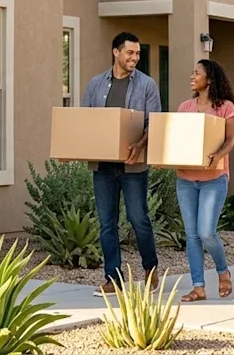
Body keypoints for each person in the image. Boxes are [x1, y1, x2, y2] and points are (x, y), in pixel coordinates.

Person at [81, 31, 161, 296]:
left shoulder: (147, 85)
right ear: (116, 52)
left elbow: (154, 123)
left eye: (138, 53)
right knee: (106, 224)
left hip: (133, 166)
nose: (135, 58)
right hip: (103, 167)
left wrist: (140, 145)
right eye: (130, 52)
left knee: (139, 219)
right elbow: (85, 122)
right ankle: (112, 278)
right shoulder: (95, 85)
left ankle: (150, 268)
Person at [175, 59, 234, 301]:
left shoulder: (225, 107)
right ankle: (198, 287)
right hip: (185, 178)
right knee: (191, 235)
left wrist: (217, 156)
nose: (192, 76)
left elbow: (230, 141)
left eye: (197, 73)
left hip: (214, 178)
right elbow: (177, 139)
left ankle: (223, 272)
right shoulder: (184, 107)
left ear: (210, 79)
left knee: (206, 233)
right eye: (192, 72)